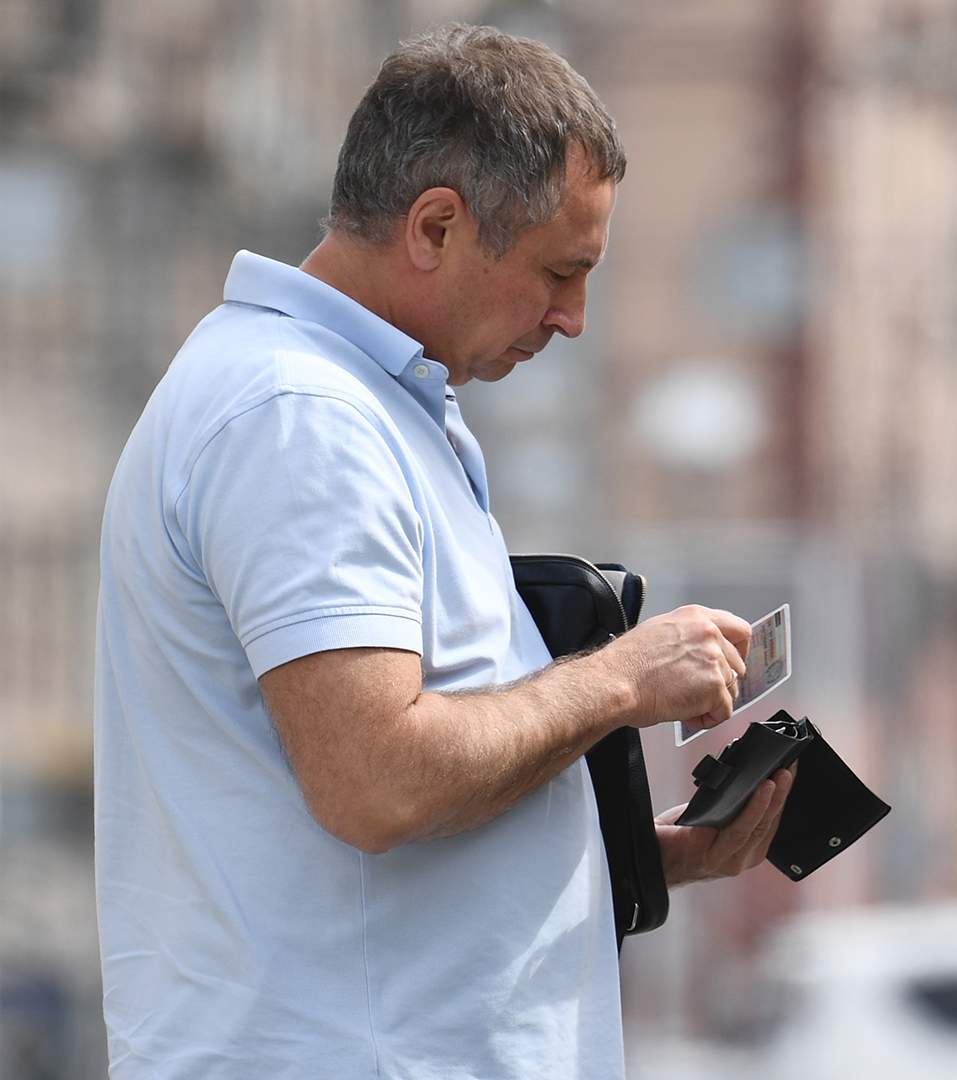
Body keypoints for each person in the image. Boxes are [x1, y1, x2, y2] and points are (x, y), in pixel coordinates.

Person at [91, 24, 793, 1078]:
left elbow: (398, 804)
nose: (574, 319)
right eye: (561, 272)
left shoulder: (374, 406)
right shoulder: (300, 418)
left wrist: (642, 856)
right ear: (434, 227)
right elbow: (377, 779)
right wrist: (615, 683)